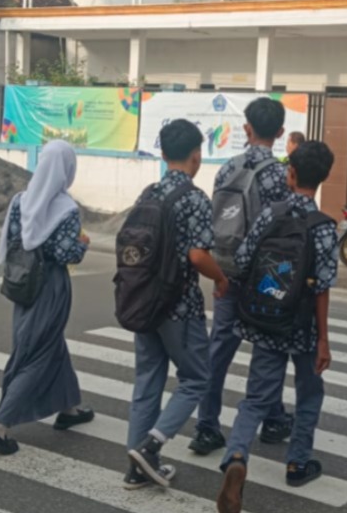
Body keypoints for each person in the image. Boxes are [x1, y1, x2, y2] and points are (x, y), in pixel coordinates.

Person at [217, 141, 338, 513]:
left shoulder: (271, 214)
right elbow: (323, 288)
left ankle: (237, 454)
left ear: (290, 174)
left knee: (257, 397)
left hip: (266, 318)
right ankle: (298, 462)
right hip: (302, 325)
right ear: (324, 179)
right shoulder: (324, 228)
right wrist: (323, 340)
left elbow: (242, 259)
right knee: (309, 393)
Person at [126, 119, 231, 489]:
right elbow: (198, 256)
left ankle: (135, 467)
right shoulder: (195, 198)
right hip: (178, 306)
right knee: (196, 379)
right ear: (195, 155)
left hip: (143, 301)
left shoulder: (148, 193)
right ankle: (152, 447)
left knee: (148, 381)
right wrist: (220, 278)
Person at [189, 98, 295, 456]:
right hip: (265, 277)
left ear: (246, 128)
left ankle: (207, 425)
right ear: (280, 132)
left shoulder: (226, 168)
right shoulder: (281, 176)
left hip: (227, 270)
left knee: (219, 349)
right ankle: (273, 418)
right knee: (269, 346)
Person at [0, 140, 94, 455]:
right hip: (51, 286)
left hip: (24, 282)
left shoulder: (20, 201)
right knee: (38, 352)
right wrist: (83, 243)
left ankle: (69, 408)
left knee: (47, 342)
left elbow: (18, 239)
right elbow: (65, 253)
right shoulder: (67, 209)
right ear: (66, 169)